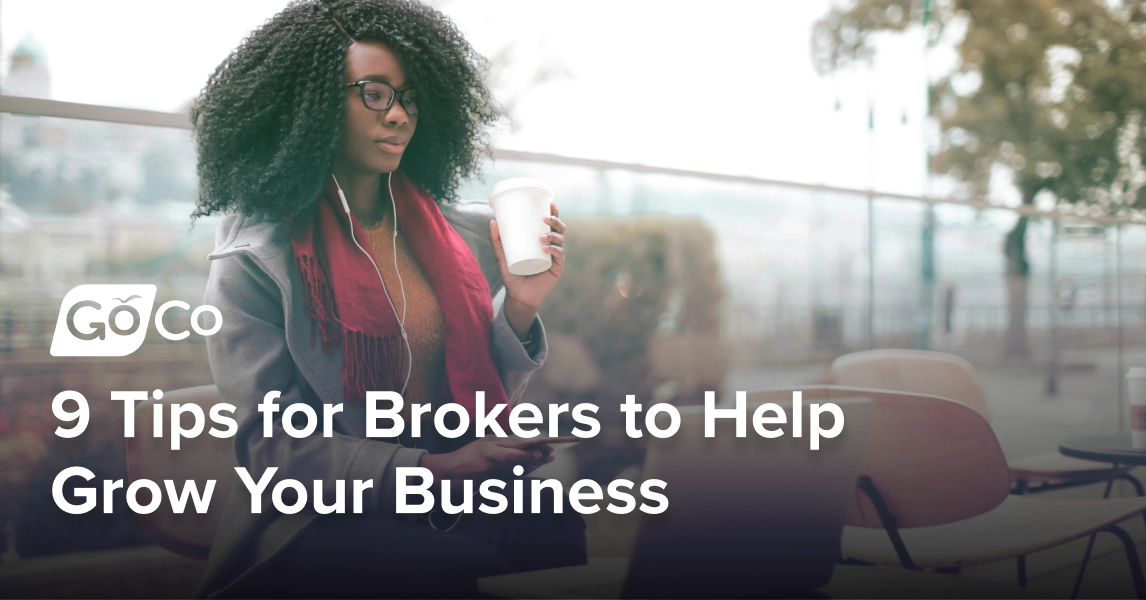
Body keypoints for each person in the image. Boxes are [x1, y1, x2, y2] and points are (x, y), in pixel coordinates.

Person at [188, 0, 585, 597]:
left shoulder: (457, 237)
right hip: (320, 515)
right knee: (443, 566)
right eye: (374, 94)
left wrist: (521, 305)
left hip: (446, 490)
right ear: (312, 103)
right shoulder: (253, 258)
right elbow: (269, 449)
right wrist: (426, 470)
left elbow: (474, 391)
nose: (399, 115)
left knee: (550, 517)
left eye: (410, 97)